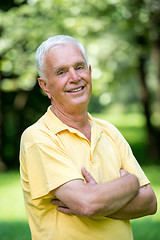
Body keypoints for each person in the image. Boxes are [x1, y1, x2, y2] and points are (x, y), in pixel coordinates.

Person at [20, 35, 157, 240]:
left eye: (80, 67)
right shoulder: (38, 137)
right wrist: (129, 184)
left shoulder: (109, 131)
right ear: (45, 86)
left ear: (90, 72)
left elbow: (150, 203)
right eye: (61, 72)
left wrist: (100, 200)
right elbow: (86, 203)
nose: (75, 77)